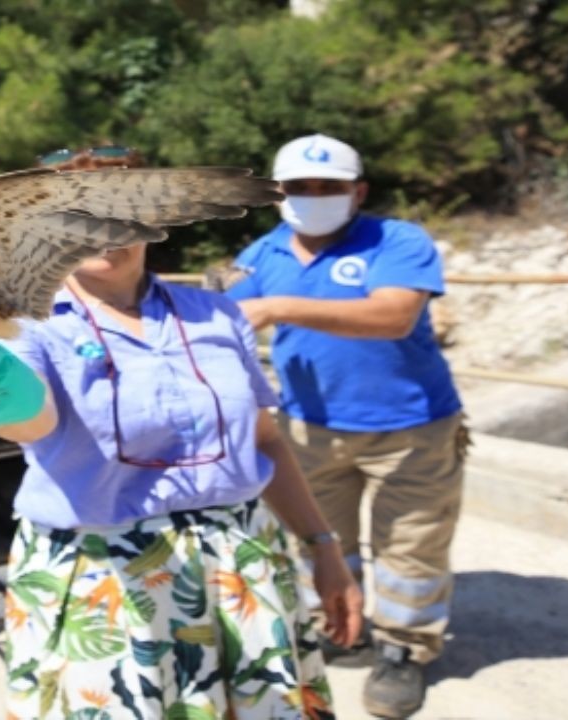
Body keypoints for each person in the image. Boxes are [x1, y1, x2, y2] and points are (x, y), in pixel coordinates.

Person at [0, 145, 363, 719]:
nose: (102, 231)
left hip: (244, 568)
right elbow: (30, 421)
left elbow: (265, 441)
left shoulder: (217, 314)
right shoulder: (16, 321)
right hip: (102, 576)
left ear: (150, 218)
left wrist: (324, 546)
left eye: (119, 209)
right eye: (80, 216)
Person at [225, 134, 469, 720]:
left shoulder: (397, 241)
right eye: (299, 188)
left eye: (328, 187)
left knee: (410, 549)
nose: (314, 196)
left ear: (357, 191)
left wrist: (279, 308)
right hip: (308, 430)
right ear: (277, 195)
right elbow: (222, 317)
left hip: (412, 430)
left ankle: (403, 650)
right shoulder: (264, 253)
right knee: (320, 541)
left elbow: (392, 315)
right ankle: (340, 626)